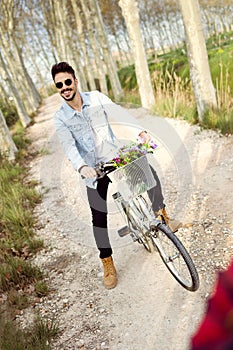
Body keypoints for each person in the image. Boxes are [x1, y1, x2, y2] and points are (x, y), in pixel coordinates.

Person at [51, 61, 181, 290]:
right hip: (93, 167)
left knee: (149, 175)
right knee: (98, 217)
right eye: (59, 85)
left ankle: (163, 216)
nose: (64, 87)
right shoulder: (60, 118)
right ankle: (107, 262)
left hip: (114, 154)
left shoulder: (97, 98)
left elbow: (119, 114)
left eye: (67, 82)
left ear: (75, 81)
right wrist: (83, 168)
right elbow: (69, 147)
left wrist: (140, 131)